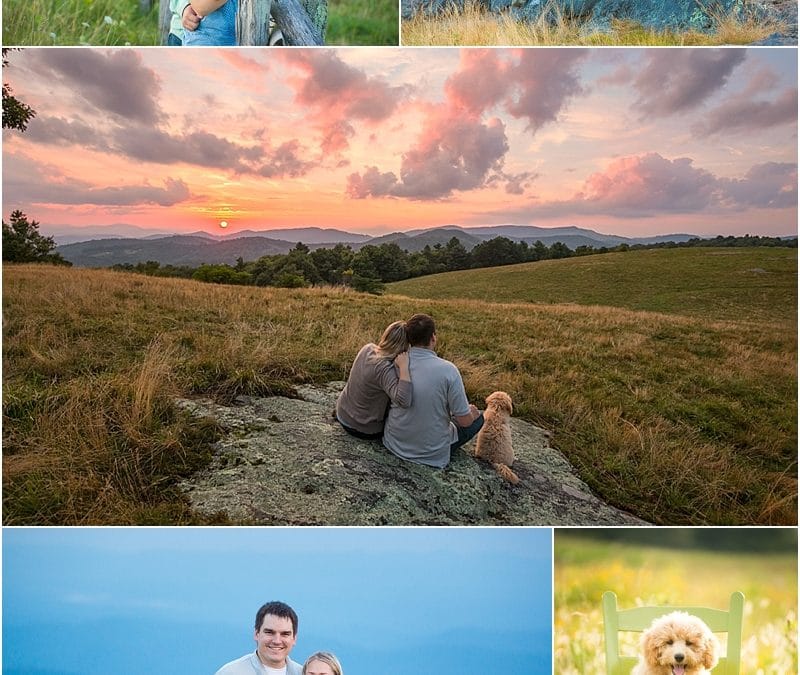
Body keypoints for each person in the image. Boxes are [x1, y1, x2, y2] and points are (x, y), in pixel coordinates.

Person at [382, 313, 483, 468]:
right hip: (431, 455)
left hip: (393, 443)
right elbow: (464, 422)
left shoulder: (398, 362)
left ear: (408, 339)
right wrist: (471, 414)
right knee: (479, 418)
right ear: (433, 338)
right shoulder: (449, 371)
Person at [335, 320, 412, 440]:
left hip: (342, 414)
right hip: (362, 427)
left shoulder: (368, 348)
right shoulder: (385, 368)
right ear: (404, 346)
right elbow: (404, 400)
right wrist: (404, 367)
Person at [215, 601, 303, 675]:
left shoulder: (302, 673)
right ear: (257, 634)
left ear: (294, 638)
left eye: (285, 634)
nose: (277, 641)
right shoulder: (230, 672)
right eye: (269, 632)